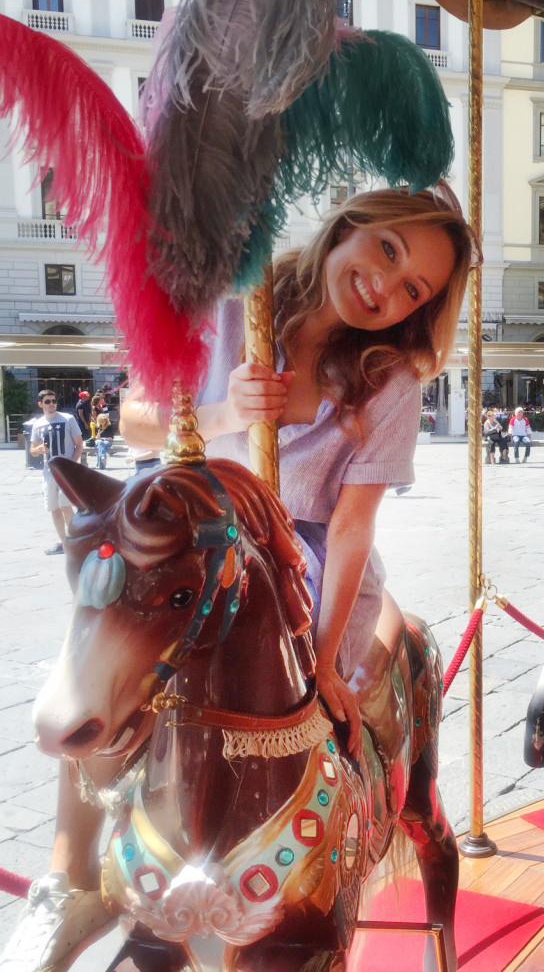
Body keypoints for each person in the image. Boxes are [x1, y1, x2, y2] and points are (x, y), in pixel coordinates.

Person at [3, 187, 479, 972]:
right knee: (112, 645)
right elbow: (137, 420)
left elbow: (354, 522)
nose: (385, 289)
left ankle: (343, 830)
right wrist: (227, 410)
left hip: (305, 547)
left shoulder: (388, 380)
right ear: (350, 227)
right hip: (186, 528)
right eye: (388, 252)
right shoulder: (232, 311)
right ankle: (70, 872)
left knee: (306, 685)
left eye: (413, 291)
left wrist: (325, 661)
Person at [28, 391, 83, 556]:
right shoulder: (38, 424)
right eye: (47, 401)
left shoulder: (68, 419)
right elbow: (33, 450)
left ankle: (77, 540)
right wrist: (37, 450)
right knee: (54, 507)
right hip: (49, 471)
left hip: (66, 470)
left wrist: (72, 463)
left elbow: (79, 444)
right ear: (41, 404)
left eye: (54, 401)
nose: (52, 404)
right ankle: (63, 542)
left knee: (66, 505)